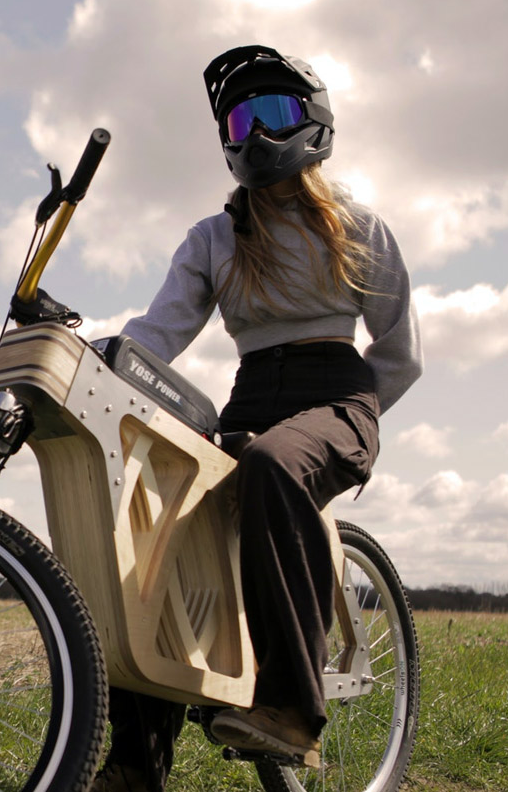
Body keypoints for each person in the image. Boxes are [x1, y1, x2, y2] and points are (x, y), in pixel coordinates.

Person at [93, 45, 423, 791]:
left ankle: (293, 712)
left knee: (278, 464)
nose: (258, 134)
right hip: (250, 399)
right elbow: (159, 333)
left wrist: (348, 425)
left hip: (339, 395)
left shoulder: (359, 226)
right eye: (242, 119)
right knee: (158, 541)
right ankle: (136, 763)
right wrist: (101, 357)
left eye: (274, 113)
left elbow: (399, 353)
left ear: (313, 122)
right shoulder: (213, 239)